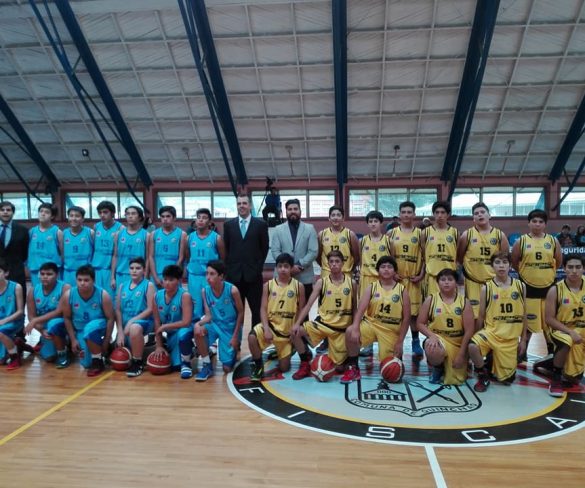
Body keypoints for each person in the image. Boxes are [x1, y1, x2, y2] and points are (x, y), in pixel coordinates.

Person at [341, 256, 410, 384]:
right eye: (383, 267)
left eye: (389, 267)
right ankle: (353, 367)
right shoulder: (371, 287)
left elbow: (406, 319)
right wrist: (355, 327)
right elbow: (360, 310)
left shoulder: (402, 290)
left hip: (390, 331)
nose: (386, 269)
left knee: (392, 372)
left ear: (395, 271)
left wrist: (400, 341)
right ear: (378, 270)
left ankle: (396, 356)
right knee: (350, 331)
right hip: (371, 325)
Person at [290, 250, 357, 380]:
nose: (334, 264)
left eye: (337, 261)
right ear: (327, 264)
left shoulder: (352, 283)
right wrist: (297, 324)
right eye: (331, 262)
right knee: (295, 332)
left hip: (340, 330)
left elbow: (355, 308)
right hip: (322, 324)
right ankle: (305, 361)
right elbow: (309, 305)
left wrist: (355, 327)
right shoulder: (322, 282)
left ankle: (346, 358)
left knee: (338, 368)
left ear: (343, 263)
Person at [468, 252, 527, 392]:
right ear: (492, 266)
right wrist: (476, 335)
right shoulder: (486, 288)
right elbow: (481, 316)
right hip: (491, 333)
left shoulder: (520, 286)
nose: (501, 266)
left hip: (510, 338)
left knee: (507, 380)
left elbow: (524, 314)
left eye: (505, 262)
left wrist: (523, 339)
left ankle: (492, 362)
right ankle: (482, 374)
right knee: (472, 346)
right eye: (498, 263)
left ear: (510, 266)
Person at [511, 209, 561, 356]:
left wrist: (544, 274)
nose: (537, 224)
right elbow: (515, 262)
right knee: (527, 324)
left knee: (549, 323)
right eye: (534, 221)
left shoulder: (553, 241)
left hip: (549, 289)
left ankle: (552, 355)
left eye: (540, 222)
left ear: (545, 224)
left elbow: (558, 262)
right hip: (528, 288)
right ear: (529, 223)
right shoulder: (521, 241)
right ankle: (522, 352)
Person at [248, 253, 305, 381]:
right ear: (276, 268)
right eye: (280, 266)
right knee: (252, 337)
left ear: (291, 268)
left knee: (284, 368)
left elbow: (302, 309)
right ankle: (258, 366)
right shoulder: (268, 285)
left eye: (286, 266)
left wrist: (296, 326)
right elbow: (262, 308)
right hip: (271, 327)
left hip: (286, 331)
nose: (283, 269)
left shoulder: (298, 286)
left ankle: (288, 349)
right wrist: (266, 328)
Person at [417, 268, 474, 385]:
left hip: (458, 343)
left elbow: (469, 331)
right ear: (437, 283)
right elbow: (420, 323)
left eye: (450, 279)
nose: (446, 282)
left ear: (456, 283)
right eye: (443, 280)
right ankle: (438, 367)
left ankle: (460, 363)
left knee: (456, 380)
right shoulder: (431, 300)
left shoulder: (464, 302)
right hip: (439, 340)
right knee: (431, 347)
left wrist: (462, 354)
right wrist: (431, 336)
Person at [223, 193, 269, 331]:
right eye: (239, 203)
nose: (241, 206)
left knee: (256, 311)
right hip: (234, 276)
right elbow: (226, 248)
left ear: (250, 205)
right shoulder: (228, 225)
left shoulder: (260, 224)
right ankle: (235, 342)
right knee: (235, 311)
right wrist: (228, 270)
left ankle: (256, 340)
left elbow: (264, 248)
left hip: (253, 275)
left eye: (244, 203)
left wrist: (257, 268)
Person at [457, 202, 510, 319]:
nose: (480, 215)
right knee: (474, 316)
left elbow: (505, 260)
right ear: (473, 218)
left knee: (495, 313)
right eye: (476, 213)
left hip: (494, 282)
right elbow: (460, 258)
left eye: (482, 212)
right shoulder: (467, 235)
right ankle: (477, 337)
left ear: (489, 215)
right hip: (473, 282)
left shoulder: (499, 235)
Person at [60, 265, 115, 376]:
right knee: (86, 364)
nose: (82, 283)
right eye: (79, 280)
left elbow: (110, 318)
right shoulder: (68, 295)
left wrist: (106, 340)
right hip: (80, 330)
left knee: (90, 328)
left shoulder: (103, 295)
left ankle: (98, 362)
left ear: (93, 281)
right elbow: (67, 318)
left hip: (99, 326)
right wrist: (73, 339)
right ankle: (105, 351)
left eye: (86, 280)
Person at [194, 260, 244, 381]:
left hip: (230, 328)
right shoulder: (205, 291)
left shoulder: (233, 290)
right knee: (198, 331)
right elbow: (208, 315)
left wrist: (235, 337)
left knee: (227, 368)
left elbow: (241, 313)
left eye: (212, 274)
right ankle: (206, 364)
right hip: (215, 324)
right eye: (207, 273)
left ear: (221, 276)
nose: (208, 277)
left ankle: (233, 349)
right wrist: (198, 323)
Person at [388, 201, 425, 357]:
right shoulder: (391, 233)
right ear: (399, 214)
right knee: (397, 313)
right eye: (404, 212)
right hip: (397, 280)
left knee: (414, 314)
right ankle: (396, 341)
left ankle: (415, 341)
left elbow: (425, 257)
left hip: (414, 279)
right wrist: (392, 274)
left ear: (414, 215)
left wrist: (421, 274)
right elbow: (387, 258)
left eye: (410, 212)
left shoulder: (420, 234)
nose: (406, 215)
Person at [545, 254, 585, 397]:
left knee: (574, 378)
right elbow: (549, 319)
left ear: (583, 269)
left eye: (578, 267)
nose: (574, 270)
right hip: (560, 330)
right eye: (570, 267)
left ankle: (550, 363)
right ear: (564, 269)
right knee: (568, 341)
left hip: (582, 329)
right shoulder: (555, 290)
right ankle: (556, 377)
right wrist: (570, 332)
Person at [270, 198, 318, 303]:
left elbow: (313, 251)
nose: (293, 211)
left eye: (295, 209)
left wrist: (299, 265)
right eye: (290, 209)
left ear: (300, 211)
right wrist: (287, 267)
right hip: (282, 276)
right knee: (282, 311)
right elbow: (275, 251)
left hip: (304, 276)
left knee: (303, 311)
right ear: (286, 211)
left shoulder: (310, 229)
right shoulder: (278, 229)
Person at [115, 257, 155, 377]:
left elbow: (150, 309)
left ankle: (138, 362)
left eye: (138, 268)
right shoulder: (122, 286)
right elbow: (117, 310)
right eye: (132, 268)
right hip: (126, 324)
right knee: (120, 351)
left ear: (143, 270)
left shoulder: (149, 285)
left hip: (144, 322)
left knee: (135, 328)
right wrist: (120, 332)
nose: (134, 271)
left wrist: (132, 321)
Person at [152, 265, 194, 379]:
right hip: (170, 332)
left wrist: (165, 326)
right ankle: (166, 344)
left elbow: (186, 322)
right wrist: (159, 346)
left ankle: (187, 360)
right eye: (165, 279)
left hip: (184, 329)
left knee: (177, 366)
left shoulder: (185, 296)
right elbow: (156, 323)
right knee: (170, 364)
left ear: (179, 281)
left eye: (171, 280)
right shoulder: (156, 296)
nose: (167, 283)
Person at [24, 262, 70, 366]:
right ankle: (44, 340)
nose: (45, 277)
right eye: (42, 274)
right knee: (49, 357)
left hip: (62, 325)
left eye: (49, 274)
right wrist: (41, 330)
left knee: (54, 323)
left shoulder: (65, 288)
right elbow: (31, 316)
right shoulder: (33, 290)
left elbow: (59, 311)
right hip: (45, 328)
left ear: (57, 275)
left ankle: (65, 346)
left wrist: (35, 321)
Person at [186, 208, 225, 322]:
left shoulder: (216, 238)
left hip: (211, 277)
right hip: (194, 277)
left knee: (212, 305)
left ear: (210, 221)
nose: (201, 220)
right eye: (198, 218)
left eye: (204, 218)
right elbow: (188, 256)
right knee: (195, 307)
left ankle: (213, 333)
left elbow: (222, 258)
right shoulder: (189, 238)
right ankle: (196, 334)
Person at [420, 201, 458, 298]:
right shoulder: (425, 232)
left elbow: (458, 254)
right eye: (437, 212)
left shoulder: (455, 232)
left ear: (448, 214)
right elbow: (424, 255)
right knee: (431, 307)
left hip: (449, 278)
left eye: (442, 212)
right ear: (433, 214)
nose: (439, 215)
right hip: (432, 277)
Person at [111, 206, 148, 292]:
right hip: (121, 274)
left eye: (133, 213)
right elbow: (115, 256)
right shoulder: (118, 234)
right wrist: (112, 277)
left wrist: (146, 276)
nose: (130, 216)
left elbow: (148, 258)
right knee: (120, 302)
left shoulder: (146, 235)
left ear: (140, 217)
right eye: (128, 214)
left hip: (139, 275)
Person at [148, 206, 187, 289]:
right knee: (156, 300)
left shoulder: (182, 234)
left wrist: (172, 275)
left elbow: (181, 257)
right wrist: (155, 277)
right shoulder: (153, 234)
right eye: (162, 216)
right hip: (157, 274)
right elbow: (151, 257)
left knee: (174, 300)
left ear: (174, 218)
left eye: (168, 216)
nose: (165, 219)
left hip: (173, 274)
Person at [317, 205, 360, 278]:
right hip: (327, 273)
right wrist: (325, 266)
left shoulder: (350, 235)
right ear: (329, 218)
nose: (335, 218)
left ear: (343, 218)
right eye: (333, 215)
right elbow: (318, 255)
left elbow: (357, 256)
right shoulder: (322, 234)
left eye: (338, 215)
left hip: (345, 272)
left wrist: (350, 267)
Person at [0, 201, 29, 306]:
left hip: (16, 269)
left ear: (13, 212)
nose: (5, 212)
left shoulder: (23, 230)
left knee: (18, 299)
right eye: (2, 210)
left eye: (8, 210)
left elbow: (25, 252)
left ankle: (19, 319)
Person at [27, 202, 63, 288]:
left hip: (51, 271)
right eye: (41, 211)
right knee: (37, 294)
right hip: (36, 269)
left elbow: (63, 253)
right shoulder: (32, 231)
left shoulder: (57, 232)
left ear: (52, 216)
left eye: (47, 212)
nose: (43, 214)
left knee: (54, 296)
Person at [91, 201, 123, 295]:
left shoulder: (121, 229)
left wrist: (113, 276)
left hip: (110, 270)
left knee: (110, 297)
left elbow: (117, 254)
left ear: (113, 213)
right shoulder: (96, 227)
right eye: (100, 213)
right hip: (96, 268)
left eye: (105, 212)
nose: (102, 215)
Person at [359, 210, 391, 300]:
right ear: (367, 224)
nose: (373, 224)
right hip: (366, 277)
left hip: (382, 278)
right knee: (365, 307)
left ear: (381, 223)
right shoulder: (362, 241)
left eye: (376, 221)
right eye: (370, 221)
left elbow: (392, 260)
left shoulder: (388, 241)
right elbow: (361, 259)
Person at [0, 258, 24, 369]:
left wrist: (4, 320)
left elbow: (20, 312)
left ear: (6, 273)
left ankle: (15, 358)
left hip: (14, 320)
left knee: (1, 332)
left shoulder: (16, 287)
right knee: (1, 361)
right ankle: (16, 343)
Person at [62, 206, 94, 287]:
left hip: (85, 273)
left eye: (77, 216)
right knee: (69, 296)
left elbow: (95, 251)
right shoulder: (63, 234)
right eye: (71, 215)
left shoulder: (90, 233)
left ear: (83, 219)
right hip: (68, 273)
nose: (74, 218)